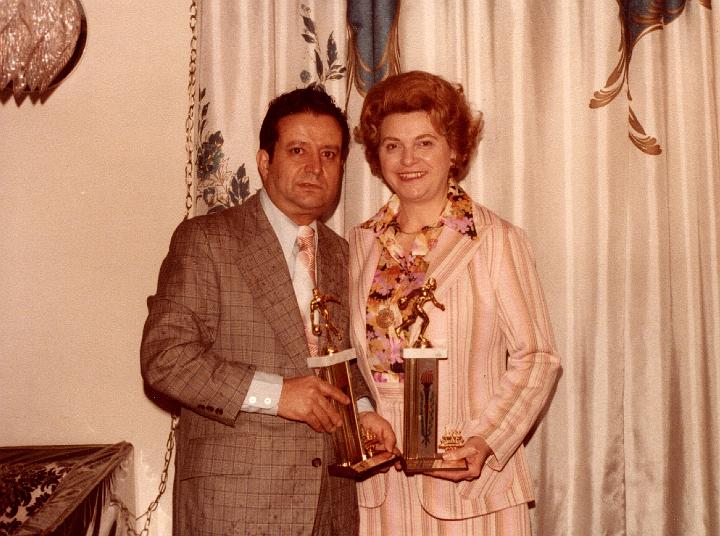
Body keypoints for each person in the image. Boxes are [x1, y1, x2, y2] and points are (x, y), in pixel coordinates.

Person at [141, 85, 395, 535]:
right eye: (298, 150)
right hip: (234, 509)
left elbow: (340, 361)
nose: (315, 168)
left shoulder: (343, 253)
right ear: (265, 160)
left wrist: (362, 414)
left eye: (330, 155)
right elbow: (165, 359)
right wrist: (278, 395)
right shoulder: (207, 239)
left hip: (330, 509)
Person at [348, 70, 561, 534]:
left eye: (424, 142)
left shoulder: (496, 240)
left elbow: (537, 357)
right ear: (376, 155)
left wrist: (486, 441)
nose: (407, 159)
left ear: (455, 151)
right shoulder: (360, 244)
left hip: (470, 488)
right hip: (382, 494)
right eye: (392, 145)